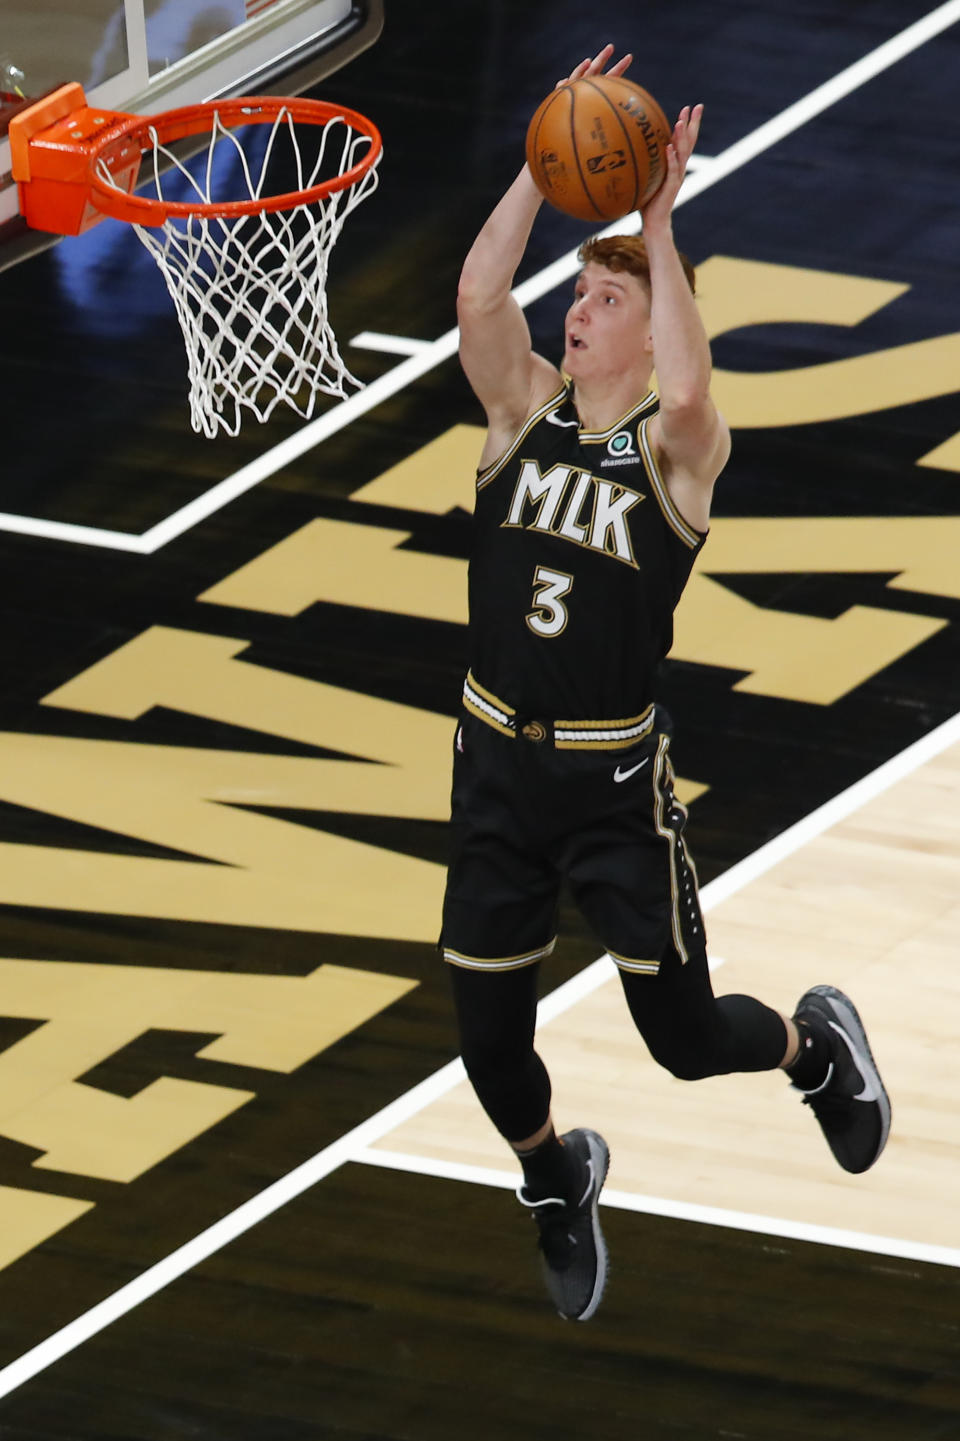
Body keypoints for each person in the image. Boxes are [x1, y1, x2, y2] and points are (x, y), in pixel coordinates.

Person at [441, 44, 890, 1323]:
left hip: (611, 779)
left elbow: (692, 385)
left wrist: (654, 222)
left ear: (645, 329)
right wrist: (542, 165)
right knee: (487, 1040)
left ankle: (814, 1049)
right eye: (576, 295)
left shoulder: (679, 453)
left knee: (687, 1042)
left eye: (603, 300)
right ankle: (554, 1174)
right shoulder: (519, 409)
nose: (575, 311)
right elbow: (479, 300)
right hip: (493, 760)